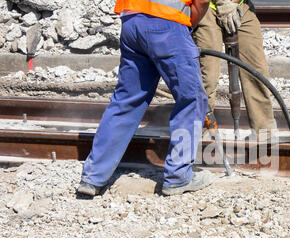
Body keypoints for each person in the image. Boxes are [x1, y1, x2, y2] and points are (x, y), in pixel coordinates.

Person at [77, 0, 214, 197]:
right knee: (191, 99)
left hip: (132, 21)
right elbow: (201, 1)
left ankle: (93, 177)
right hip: (168, 23)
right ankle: (178, 177)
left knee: (127, 100)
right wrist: (185, 26)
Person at [192, 0, 275, 138]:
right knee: (208, 77)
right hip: (206, 7)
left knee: (256, 71)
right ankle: (198, 135)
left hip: (240, 5)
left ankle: (264, 133)